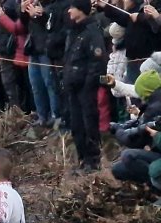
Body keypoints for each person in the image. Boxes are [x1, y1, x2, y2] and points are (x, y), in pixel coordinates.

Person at [63, 0, 106, 172]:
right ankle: (82, 159)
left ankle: (93, 161)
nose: (69, 11)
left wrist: (88, 85)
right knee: (77, 125)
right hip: (73, 87)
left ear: (81, 10)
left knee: (89, 124)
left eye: (72, 7)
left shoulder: (92, 32)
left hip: (85, 88)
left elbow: (97, 63)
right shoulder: (74, 31)